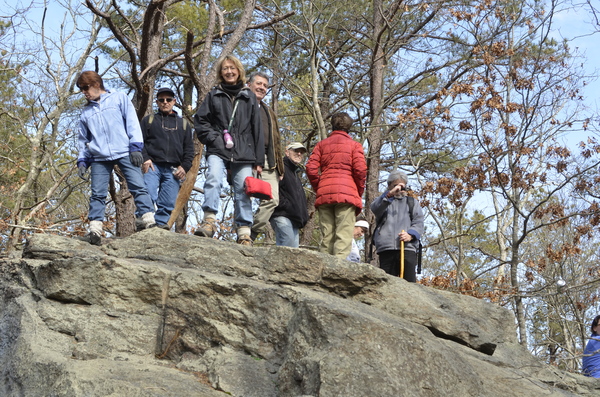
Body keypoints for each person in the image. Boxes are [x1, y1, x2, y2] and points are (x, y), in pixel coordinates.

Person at [76, 71, 156, 245]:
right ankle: (95, 232)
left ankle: (149, 221)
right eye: (81, 89)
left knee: (138, 186)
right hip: (99, 157)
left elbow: (132, 123)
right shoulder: (85, 113)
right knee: (97, 194)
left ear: (96, 84)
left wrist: (136, 148)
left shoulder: (119, 98)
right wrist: (82, 160)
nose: (83, 92)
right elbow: (83, 140)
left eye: (85, 87)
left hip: (124, 151)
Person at [193, 55, 264, 245]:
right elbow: (200, 121)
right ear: (220, 72)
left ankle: (244, 232)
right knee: (213, 178)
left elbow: (257, 128)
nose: (229, 72)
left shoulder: (248, 95)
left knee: (243, 189)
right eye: (225, 68)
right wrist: (214, 139)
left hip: (244, 151)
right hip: (218, 147)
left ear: (239, 70)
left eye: (232, 68)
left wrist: (259, 161)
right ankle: (209, 221)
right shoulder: (214, 94)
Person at [306, 112, 367, 258]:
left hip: (325, 194)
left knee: (326, 237)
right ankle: (337, 273)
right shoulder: (354, 146)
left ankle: (325, 270)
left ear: (332, 126)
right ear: (349, 127)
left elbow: (310, 169)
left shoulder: (321, 145)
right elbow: (360, 170)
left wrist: (320, 187)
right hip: (347, 195)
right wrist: (357, 191)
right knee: (343, 235)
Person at [136, 87, 194, 230]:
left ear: (174, 101)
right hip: (152, 165)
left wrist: (184, 167)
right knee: (147, 193)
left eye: (168, 100)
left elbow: (189, 150)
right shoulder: (149, 120)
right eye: (161, 100)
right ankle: (143, 221)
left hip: (174, 168)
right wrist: (145, 158)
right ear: (157, 102)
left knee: (168, 201)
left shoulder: (184, 124)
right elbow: (139, 142)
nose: (165, 102)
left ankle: (161, 225)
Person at [247, 72, 285, 242]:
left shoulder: (268, 111)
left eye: (265, 86)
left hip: (269, 160)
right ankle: (242, 232)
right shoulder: (241, 104)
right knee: (245, 197)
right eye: (259, 84)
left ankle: (252, 233)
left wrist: (280, 166)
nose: (262, 88)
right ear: (249, 84)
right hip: (247, 157)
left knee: (273, 199)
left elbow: (276, 140)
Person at [370, 170, 424, 282]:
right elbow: (375, 208)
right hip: (387, 249)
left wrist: (410, 235)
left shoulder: (412, 203)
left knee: (409, 283)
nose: (400, 189)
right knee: (388, 282)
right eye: (396, 185)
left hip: (407, 248)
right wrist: (389, 194)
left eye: (402, 186)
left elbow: (418, 222)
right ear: (389, 185)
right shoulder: (383, 202)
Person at [269, 142, 309, 248]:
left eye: (301, 152)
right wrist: (286, 205)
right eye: (296, 151)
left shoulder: (294, 173)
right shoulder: (280, 167)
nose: (299, 154)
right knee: (287, 247)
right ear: (287, 152)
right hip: (282, 214)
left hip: (294, 219)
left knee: (293, 254)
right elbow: (272, 189)